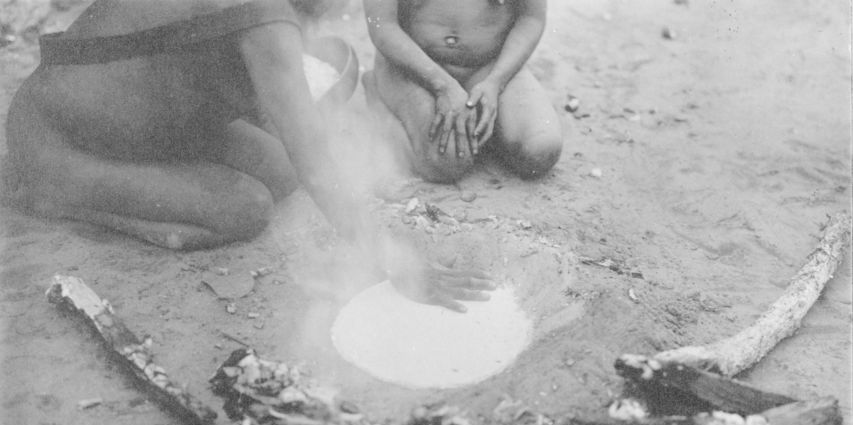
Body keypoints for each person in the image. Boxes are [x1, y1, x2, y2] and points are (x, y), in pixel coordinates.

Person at [3, 0, 493, 311]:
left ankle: (149, 175)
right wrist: (393, 258)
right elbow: (316, 161)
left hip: (145, 120)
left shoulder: (277, 18)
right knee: (244, 209)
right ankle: (54, 193)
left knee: (278, 171)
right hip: (57, 136)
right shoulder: (267, 19)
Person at [362, 0, 562, 183]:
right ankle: (380, 94)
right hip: (414, 68)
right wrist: (442, 85)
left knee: (540, 150)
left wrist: (496, 81)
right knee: (447, 161)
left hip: (490, 65)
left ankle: (483, 129)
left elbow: (531, 18)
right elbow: (383, 26)